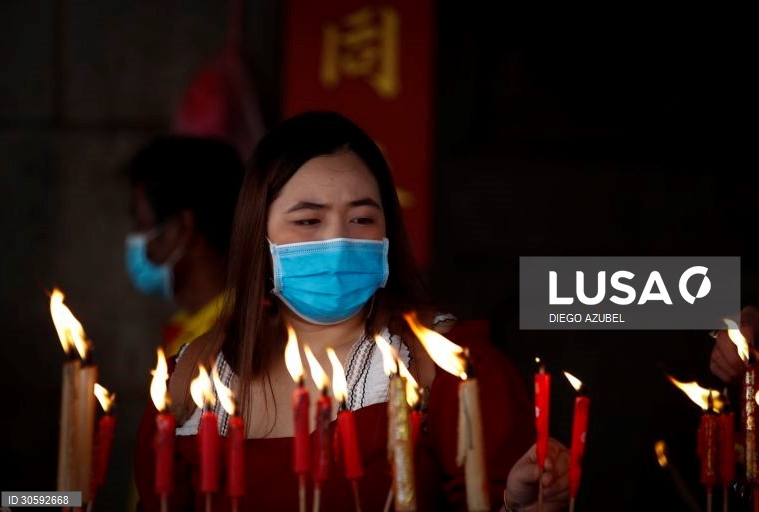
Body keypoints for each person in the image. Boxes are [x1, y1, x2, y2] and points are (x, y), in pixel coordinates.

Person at [134, 111, 570, 511]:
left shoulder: (449, 366)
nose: (339, 242)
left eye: (362, 219)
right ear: (258, 237)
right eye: (308, 221)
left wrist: (522, 504)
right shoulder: (190, 382)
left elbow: (502, 497)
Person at [125, 136, 246, 357]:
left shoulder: (234, 338)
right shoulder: (184, 330)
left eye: (142, 224)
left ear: (183, 227)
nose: (135, 241)